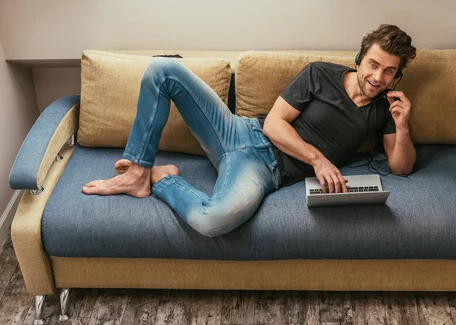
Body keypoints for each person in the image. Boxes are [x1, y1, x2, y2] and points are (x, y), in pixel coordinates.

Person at [82, 24, 417, 237]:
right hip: (240, 132)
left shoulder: (383, 109)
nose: (378, 78)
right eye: (373, 65)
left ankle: (161, 178)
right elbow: (274, 124)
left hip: (264, 171)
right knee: (163, 69)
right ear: (360, 59)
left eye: (389, 72)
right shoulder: (320, 74)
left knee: (212, 221)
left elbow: (401, 168)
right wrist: (319, 160)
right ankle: (137, 172)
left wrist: (402, 126)